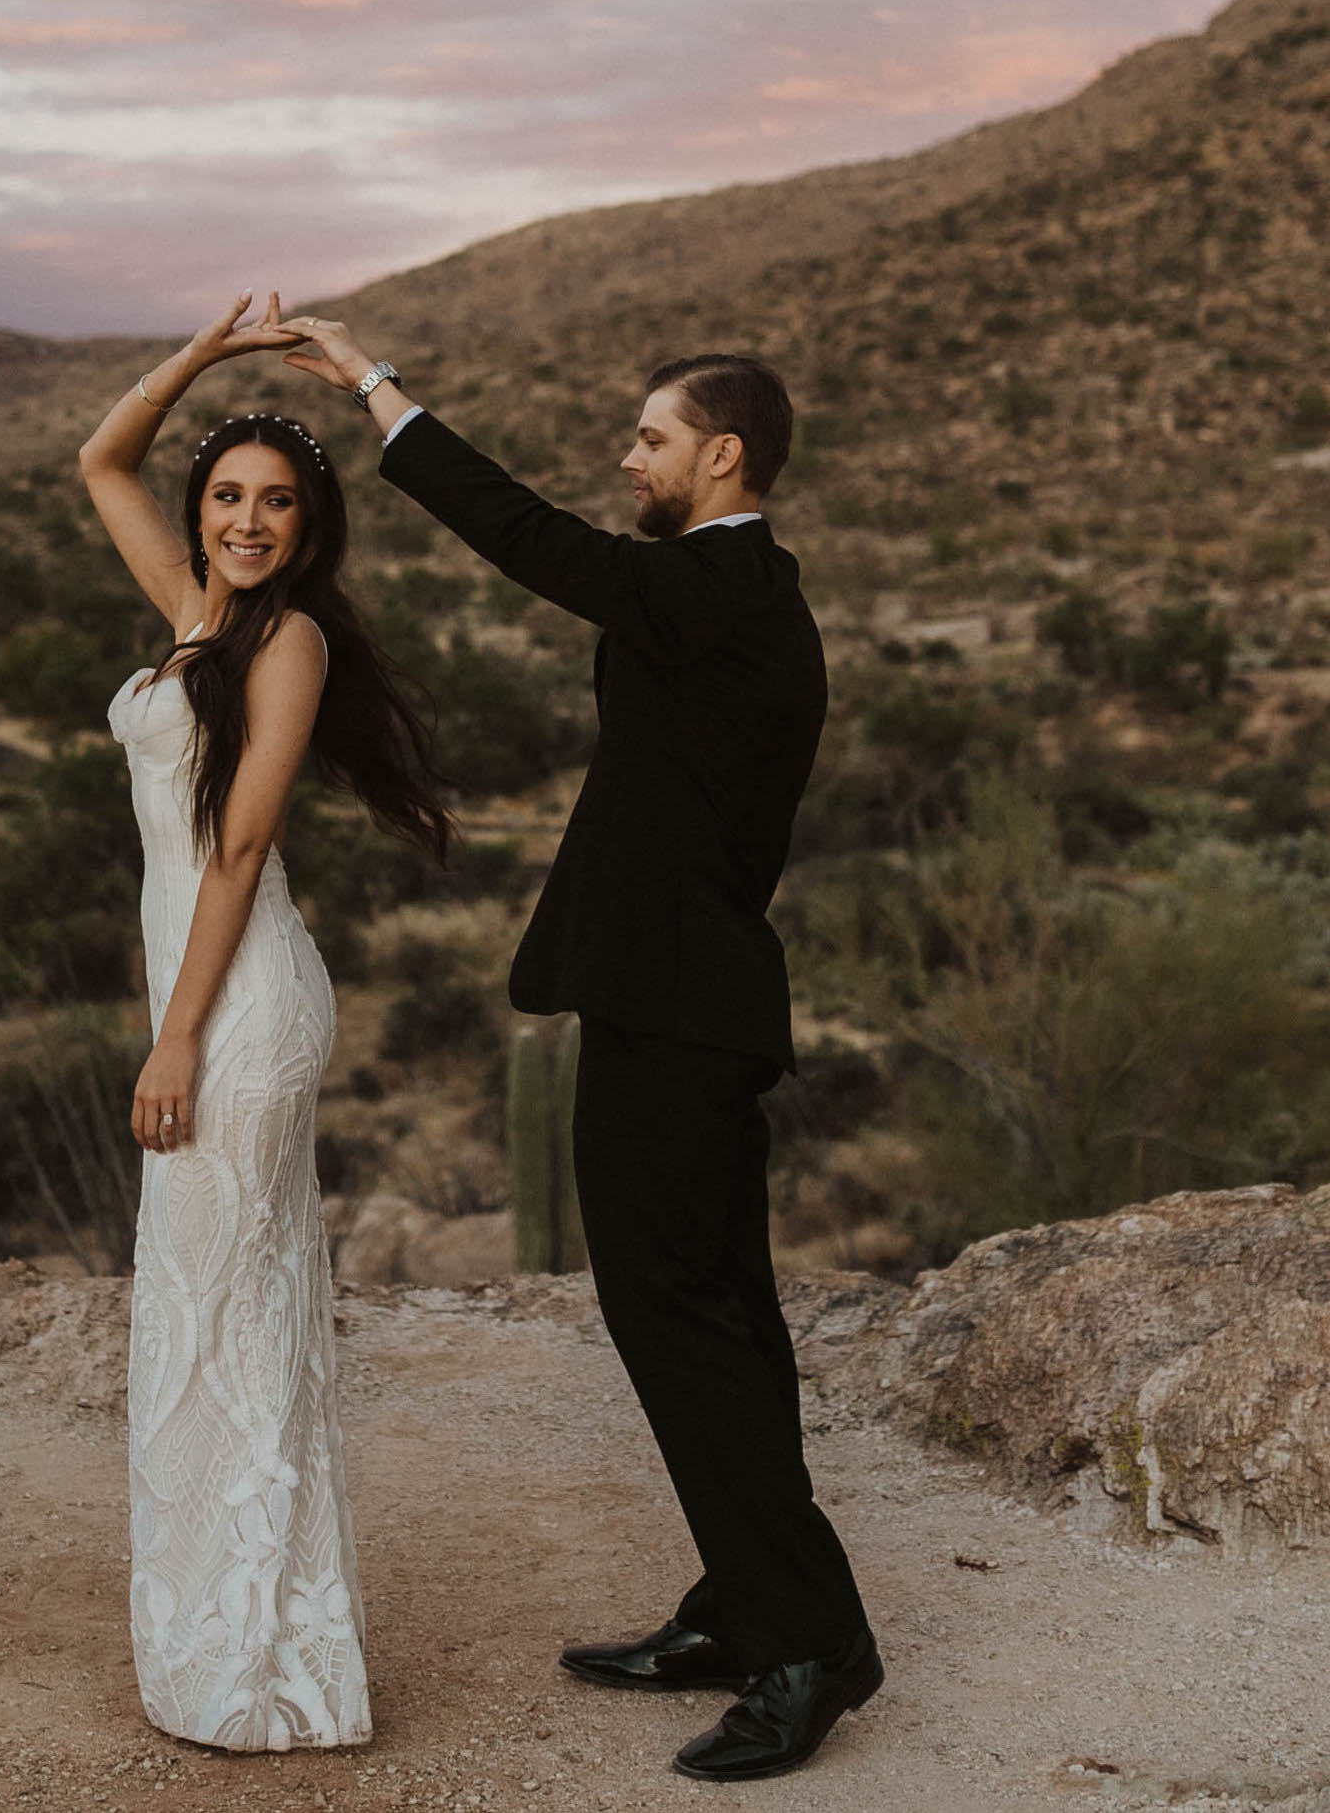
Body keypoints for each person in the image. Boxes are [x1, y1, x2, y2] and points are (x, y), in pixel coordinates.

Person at [279, 316, 880, 1785]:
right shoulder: (726, 593)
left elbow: (531, 540)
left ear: (721, 456)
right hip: (683, 1001)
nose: (628, 455)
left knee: (678, 1315)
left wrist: (376, 391)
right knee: (715, 1310)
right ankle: (749, 1606)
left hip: (680, 1012)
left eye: (651, 436)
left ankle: (810, 1645)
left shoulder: (716, 584)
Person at [78, 291, 453, 1754]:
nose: (245, 519)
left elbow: (235, 852)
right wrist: (205, 361)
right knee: (206, 1313)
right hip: (202, 988)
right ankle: (221, 1644)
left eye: (274, 502)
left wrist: (174, 1038)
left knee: (227, 1314)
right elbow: (104, 462)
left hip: (240, 1004)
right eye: (228, 495)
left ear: (308, 525)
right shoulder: (196, 616)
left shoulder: (281, 643)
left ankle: (261, 1665)